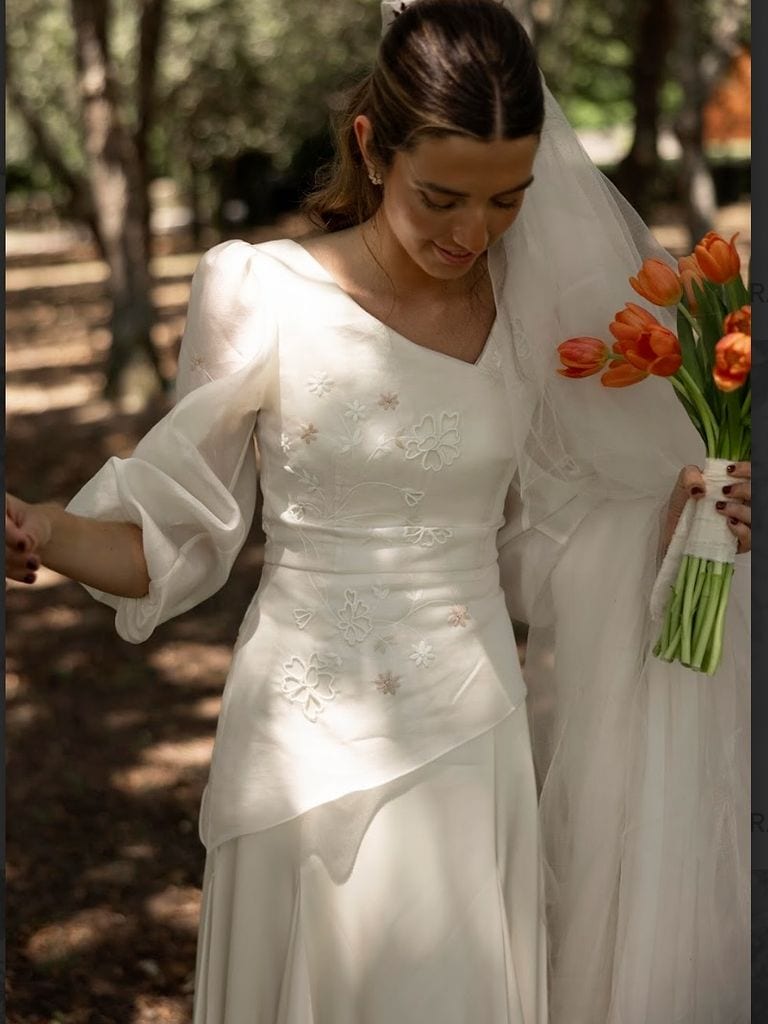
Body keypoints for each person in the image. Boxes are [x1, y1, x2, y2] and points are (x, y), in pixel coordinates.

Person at [5, 1, 751, 1021]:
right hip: (299, 745)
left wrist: (673, 525)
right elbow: (174, 538)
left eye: (504, 201)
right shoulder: (258, 290)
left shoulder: (528, 316)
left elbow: (542, 547)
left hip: (469, 740)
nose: (470, 233)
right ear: (372, 144)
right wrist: (42, 530)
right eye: (441, 196)